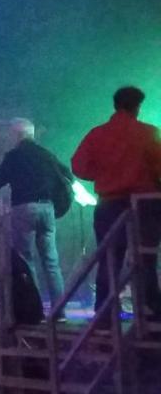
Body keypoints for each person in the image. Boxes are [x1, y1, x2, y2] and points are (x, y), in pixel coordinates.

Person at [73, 86, 161, 317]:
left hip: (109, 204)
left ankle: (104, 312)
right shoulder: (148, 132)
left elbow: (79, 166)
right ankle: (151, 309)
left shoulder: (97, 134)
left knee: (109, 259)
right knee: (146, 258)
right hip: (144, 204)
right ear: (137, 107)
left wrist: (103, 175)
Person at [0, 118, 71, 318]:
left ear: (16, 135)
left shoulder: (14, 156)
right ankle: (60, 311)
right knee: (51, 262)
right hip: (47, 208)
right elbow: (68, 175)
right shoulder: (46, 154)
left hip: (24, 209)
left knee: (26, 260)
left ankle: (33, 311)